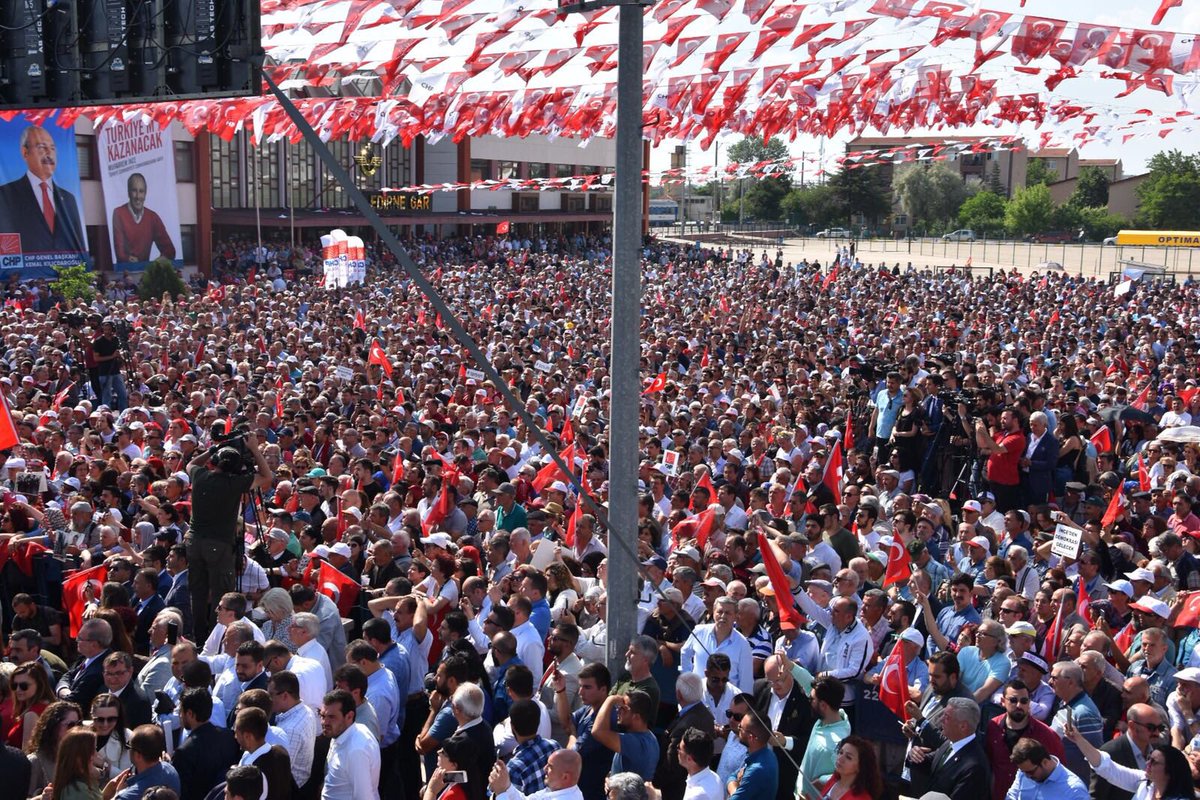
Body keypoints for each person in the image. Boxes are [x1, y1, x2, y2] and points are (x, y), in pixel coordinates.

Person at [187, 432, 273, 644]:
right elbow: (267, 476)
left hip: (194, 542)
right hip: (219, 546)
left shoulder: (200, 476)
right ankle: (217, 640)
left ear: (215, 463)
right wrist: (254, 448)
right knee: (221, 595)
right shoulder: (234, 483)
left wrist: (213, 449)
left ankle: (199, 638)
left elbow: (190, 464)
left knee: (197, 594)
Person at [0, 124, 86, 253]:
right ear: (25, 152)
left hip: (66, 270)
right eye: (41, 148)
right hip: (25, 271)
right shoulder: (6, 194)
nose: (49, 154)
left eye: (52, 148)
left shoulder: (68, 199)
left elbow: (78, 244)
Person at [1064, 721, 1196, 800]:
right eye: (1149, 758)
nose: (1147, 764)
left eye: (1154, 762)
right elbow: (1108, 768)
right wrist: (1078, 739)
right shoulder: (1144, 782)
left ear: (1170, 770)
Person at [984, 680, 1064, 800]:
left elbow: (1060, 772)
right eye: (1013, 700)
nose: (1019, 706)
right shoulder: (993, 727)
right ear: (1003, 702)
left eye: (1024, 701)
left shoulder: (1047, 735)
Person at [908, 697, 990, 800]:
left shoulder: (974, 767)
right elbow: (930, 763)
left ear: (963, 726)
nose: (941, 719)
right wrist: (914, 754)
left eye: (947, 717)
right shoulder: (950, 743)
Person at [172, 688, 240, 800]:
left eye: (181, 711)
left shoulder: (184, 752)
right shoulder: (229, 736)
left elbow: (181, 793)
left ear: (190, 714)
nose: (180, 716)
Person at [320, 688, 381, 800]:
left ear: (349, 716)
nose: (324, 722)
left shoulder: (356, 751)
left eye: (331, 717)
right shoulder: (341, 732)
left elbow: (364, 797)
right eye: (322, 716)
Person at [590, 689, 658, 780]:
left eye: (623, 708)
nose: (618, 710)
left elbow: (597, 732)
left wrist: (610, 700)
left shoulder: (635, 743)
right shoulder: (651, 738)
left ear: (636, 717)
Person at [111, 172, 176, 263]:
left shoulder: (153, 218)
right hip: (125, 272)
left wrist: (155, 264)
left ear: (145, 194)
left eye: (141, 191)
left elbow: (170, 251)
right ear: (128, 192)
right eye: (134, 190)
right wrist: (129, 259)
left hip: (146, 273)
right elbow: (120, 254)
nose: (138, 196)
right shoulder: (119, 213)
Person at [103, 724, 180, 800]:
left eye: (129, 746)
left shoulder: (127, 796)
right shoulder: (171, 771)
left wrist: (113, 795)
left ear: (138, 755)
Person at [26, 701, 83, 797]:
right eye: (71, 725)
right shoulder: (35, 761)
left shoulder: (81, 758)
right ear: (53, 726)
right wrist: (41, 798)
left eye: (79, 724)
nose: (76, 730)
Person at [1004, 737, 1090, 800]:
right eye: (1023, 772)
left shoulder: (1074, 790)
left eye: (1031, 772)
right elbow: (1012, 796)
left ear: (1045, 762)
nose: (1027, 776)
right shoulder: (1025, 771)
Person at [487, 749, 585, 800]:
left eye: (550, 767)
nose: (544, 768)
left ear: (565, 777)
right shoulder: (557, 789)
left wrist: (501, 793)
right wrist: (506, 785)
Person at [807, 735, 882, 800]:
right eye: (841, 752)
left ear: (860, 766)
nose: (840, 758)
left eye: (848, 757)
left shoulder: (862, 798)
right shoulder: (834, 780)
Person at [726, 712, 778, 800]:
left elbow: (732, 781)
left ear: (751, 737)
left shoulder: (757, 769)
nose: (738, 728)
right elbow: (732, 776)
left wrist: (735, 789)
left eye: (741, 727)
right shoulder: (766, 754)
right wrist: (736, 788)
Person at [40, 726, 101, 800]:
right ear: (78, 756)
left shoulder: (85, 783)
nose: (96, 754)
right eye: (92, 750)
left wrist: (108, 792)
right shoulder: (77, 790)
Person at [423, 735, 486, 800]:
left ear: (454, 765)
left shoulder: (454, 795)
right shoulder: (468, 781)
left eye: (443, 752)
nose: (438, 752)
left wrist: (431, 791)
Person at [8, 661, 54, 748]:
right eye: (14, 685)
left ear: (39, 685)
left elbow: (27, 751)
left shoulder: (32, 714)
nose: (18, 690)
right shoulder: (48, 706)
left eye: (24, 686)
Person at [676, 728, 719, 800]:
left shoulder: (695, 796)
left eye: (679, 748)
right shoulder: (715, 777)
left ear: (689, 759)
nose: (677, 750)